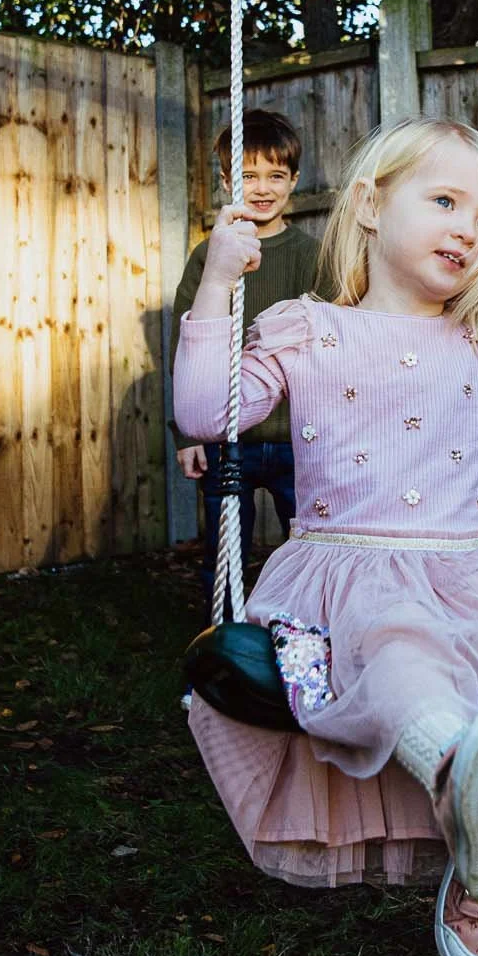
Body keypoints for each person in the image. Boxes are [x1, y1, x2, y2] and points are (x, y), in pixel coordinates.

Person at [173, 116, 478, 956]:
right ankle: (467, 778)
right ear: (372, 205)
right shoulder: (306, 328)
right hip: (347, 572)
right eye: (446, 201)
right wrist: (217, 287)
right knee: (397, 643)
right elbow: (203, 413)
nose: (467, 229)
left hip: (468, 570)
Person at [171, 109, 320, 627]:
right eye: (249, 175)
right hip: (226, 437)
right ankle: (226, 651)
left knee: (311, 550)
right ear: (227, 180)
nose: (262, 188)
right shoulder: (208, 257)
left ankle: (304, 645)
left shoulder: (310, 255)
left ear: (294, 181)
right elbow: (185, 340)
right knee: (224, 557)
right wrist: (186, 434)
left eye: (276, 176)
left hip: (299, 438)